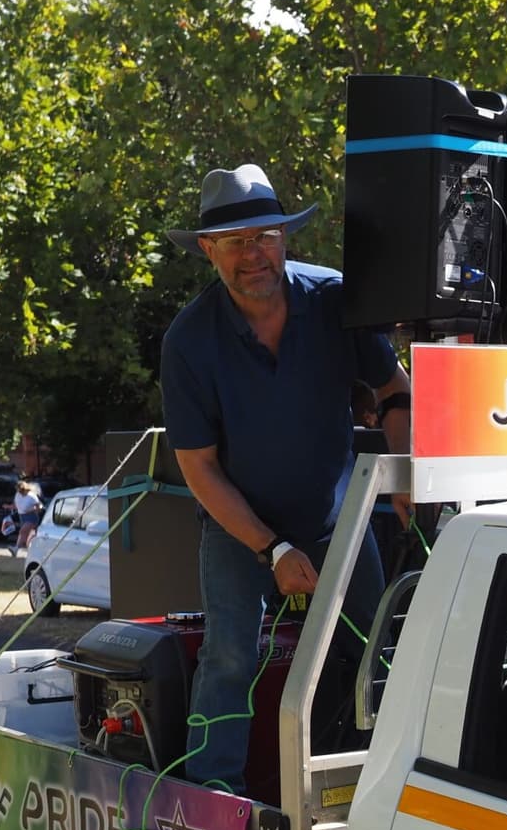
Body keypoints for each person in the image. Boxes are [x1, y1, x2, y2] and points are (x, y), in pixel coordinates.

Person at [160, 163, 412, 794]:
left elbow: (393, 388)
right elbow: (199, 468)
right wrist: (271, 547)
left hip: (337, 523)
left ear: (285, 238)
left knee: (373, 645)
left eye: (266, 236)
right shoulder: (188, 340)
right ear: (208, 251)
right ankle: (214, 797)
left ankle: (378, 781)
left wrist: (407, 471)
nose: (255, 254)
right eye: (237, 241)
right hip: (241, 531)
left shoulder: (334, 298)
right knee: (230, 658)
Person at [12, 478, 43, 557]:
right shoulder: (18, 494)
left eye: (22, 491)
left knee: (23, 531)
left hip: (31, 517)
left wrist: (31, 510)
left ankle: (16, 548)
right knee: (26, 535)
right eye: (18, 491)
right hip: (22, 516)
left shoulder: (32, 496)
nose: (20, 492)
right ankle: (31, 550)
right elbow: (17, 505)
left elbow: (39, 507)